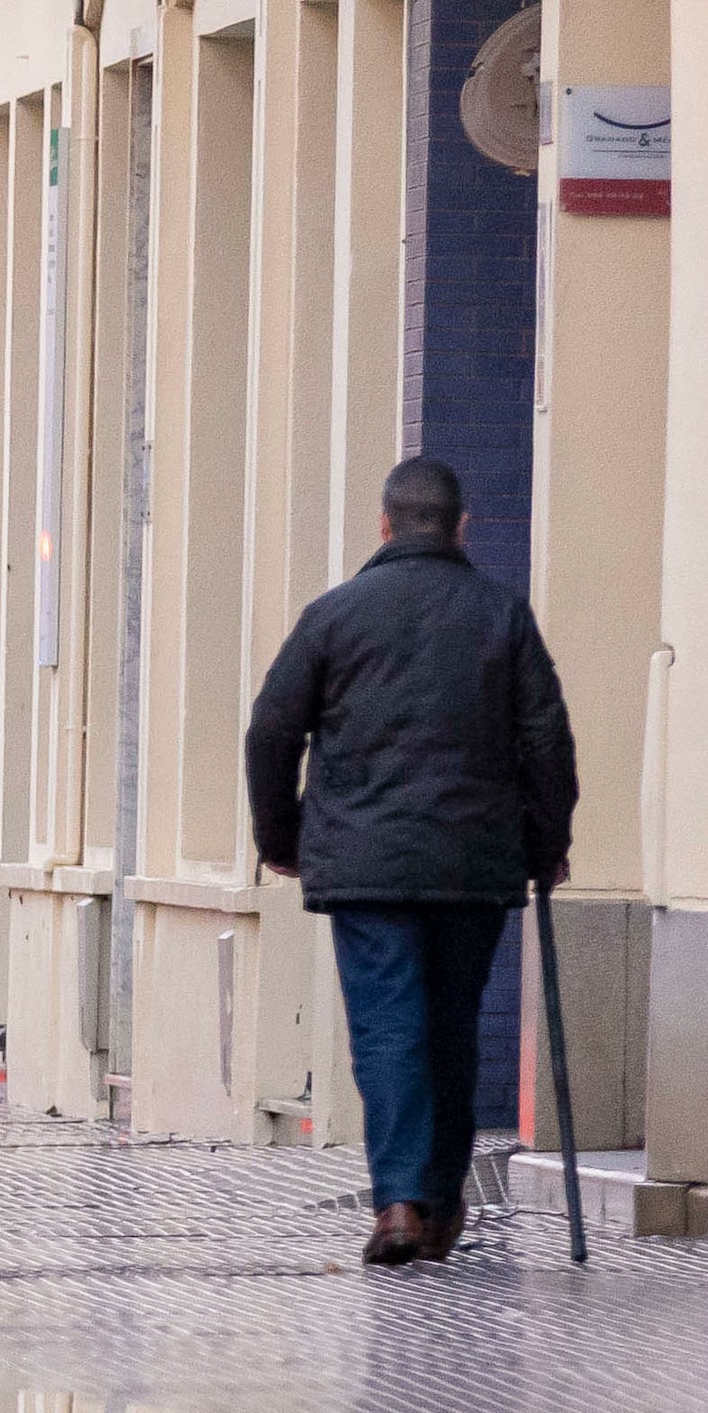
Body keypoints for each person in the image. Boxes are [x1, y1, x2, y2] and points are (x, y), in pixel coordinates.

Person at [244, 453, 579, 1265]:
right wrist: (546, 846)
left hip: (365, 864)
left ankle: (398, 1201)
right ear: (461, 527)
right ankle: (438, 1201)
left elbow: (270, 730)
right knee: (452, 1027)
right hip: (473, 864)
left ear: (385, 524)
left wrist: (281, 839)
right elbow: (548, 743)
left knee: (389, 1025)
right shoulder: (502, 616)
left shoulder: (333, 616)